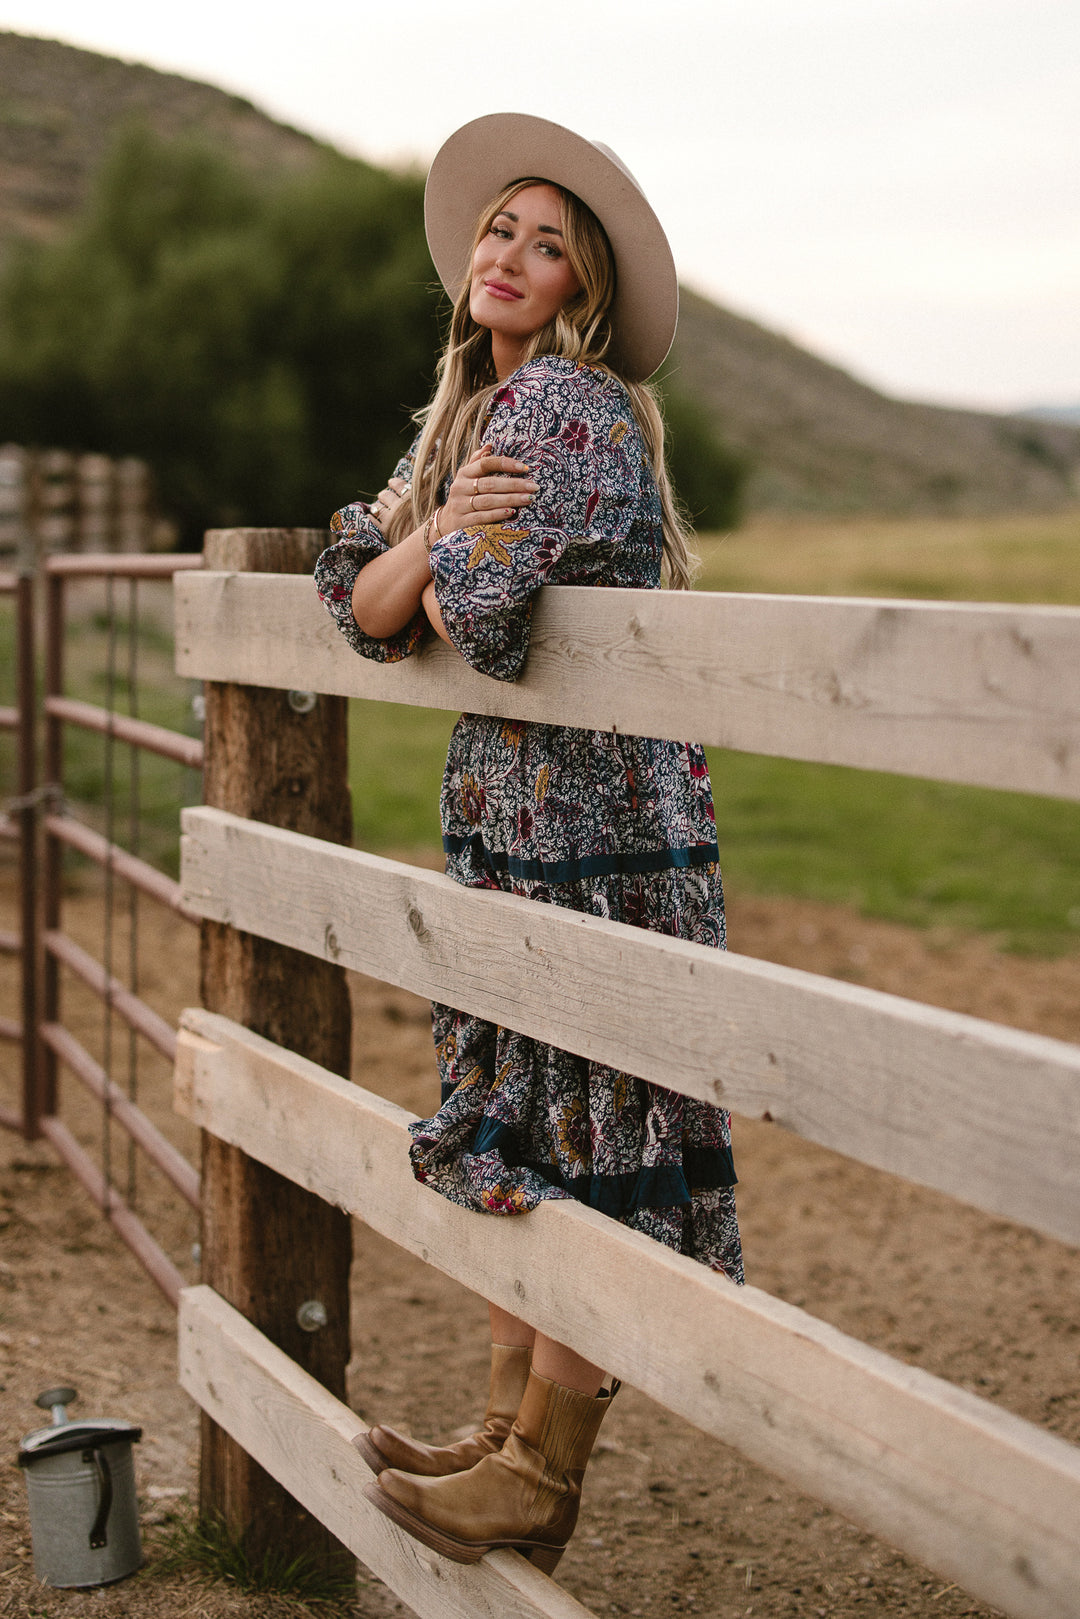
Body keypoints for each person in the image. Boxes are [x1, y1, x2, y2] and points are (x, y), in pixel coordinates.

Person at [315, 112, 742, 1574]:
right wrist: (435, 530)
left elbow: (473, 626)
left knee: (595, 1129)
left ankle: (543, 1469)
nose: (511, 254)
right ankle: (504, 1438)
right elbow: (349, 590)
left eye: (547, 242)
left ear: (584, 289)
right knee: (517, 1127)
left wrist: (421, 558)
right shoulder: (467, 427)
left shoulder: (565, 412)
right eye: (501, 228)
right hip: (517, 828)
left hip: (604, 836)